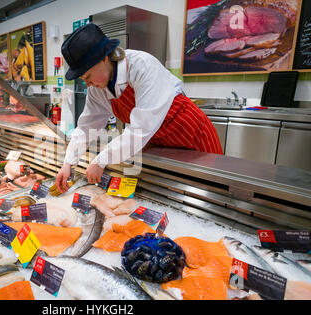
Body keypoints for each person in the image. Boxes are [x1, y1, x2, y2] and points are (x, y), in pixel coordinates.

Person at [55, 23, 223, 194]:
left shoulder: (141, 65)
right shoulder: (96, 90)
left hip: (191, 135)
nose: (87, 83)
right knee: (173, 194)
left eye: (88, 76)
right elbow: (86, 127)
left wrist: (100, 161)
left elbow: (139, 130)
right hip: (157, 143)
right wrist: (68, 162)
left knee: (211, 193)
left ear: (104, 58)